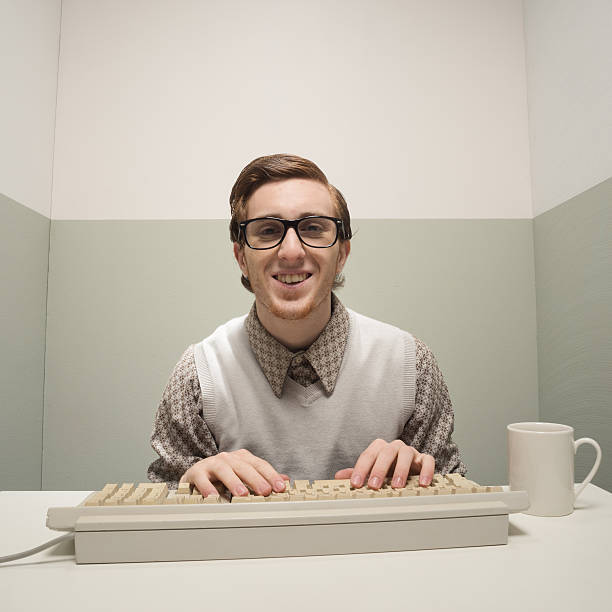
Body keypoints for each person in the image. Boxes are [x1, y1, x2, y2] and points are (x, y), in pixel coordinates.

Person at [148, 154, 466, 498]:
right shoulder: (198, 375)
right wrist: (185, 485)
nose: (290, 251)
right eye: (268, 230)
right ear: (241, 257)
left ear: (342, 253)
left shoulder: (409, 366)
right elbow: (158, 514)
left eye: (313, 228)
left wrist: (427, 477)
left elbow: (457, 504)